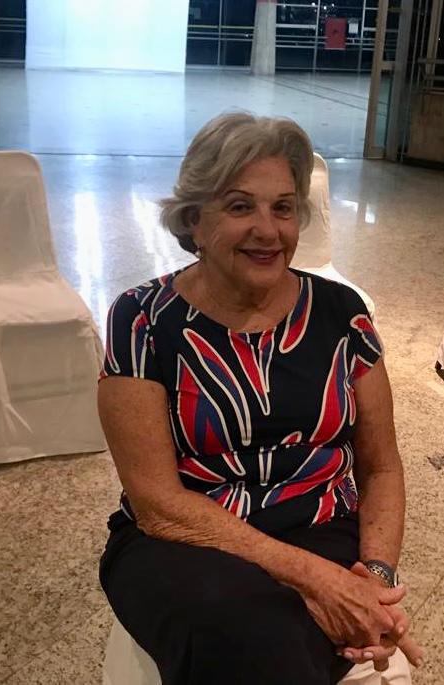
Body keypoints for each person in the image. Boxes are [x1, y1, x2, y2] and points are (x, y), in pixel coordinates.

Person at [98, 112, 422, 685]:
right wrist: (314, 579)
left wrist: (373, 578)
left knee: (261, 645)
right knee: (242, 631)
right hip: (185, 539)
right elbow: (156, 501)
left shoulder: (342, 314)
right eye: (240, 206)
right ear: (194, 220)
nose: (268, 231)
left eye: (283, 207)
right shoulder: (142, 318)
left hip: (322, 525)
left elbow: (381, 466)